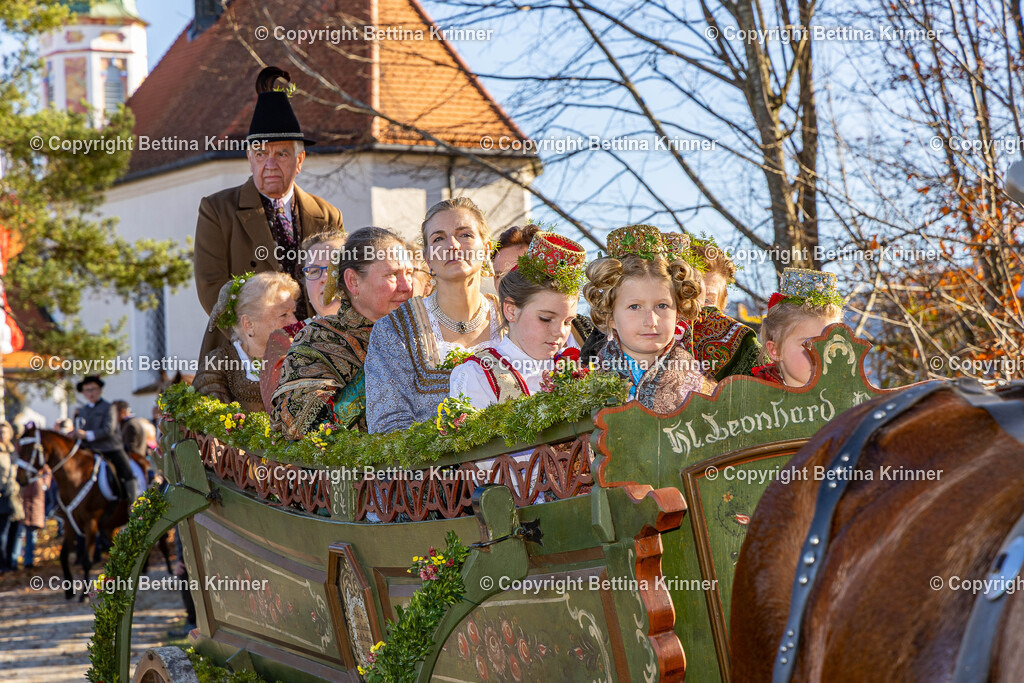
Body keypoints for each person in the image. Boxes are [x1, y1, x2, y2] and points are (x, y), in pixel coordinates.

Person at [194, 66, 344, 360]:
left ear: (300, 160)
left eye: (281, 154)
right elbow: (211, 288)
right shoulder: (217, 209)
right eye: (261, 154)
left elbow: (337, 284)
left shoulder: (327, 214)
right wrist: (255, 341)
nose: (270, 164)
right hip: (242, 351)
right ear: (249, 159)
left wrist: (321, 339)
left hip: (314, 352)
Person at [365, 197, 503, 433]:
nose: (453, 246)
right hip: (433, 468)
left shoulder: (514, 319)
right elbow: (388, 427)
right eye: (438, 238)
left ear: (487, 249)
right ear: (428, 259)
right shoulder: (394, 331)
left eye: (465, 235)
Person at [271, 227, 414, 437]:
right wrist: (382, 366)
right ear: (353, 282)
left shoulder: (425, 332)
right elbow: (304, 428)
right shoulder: (318, 339)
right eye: (392, 275)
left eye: (410, 273)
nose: (406, 286)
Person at [585, 225, 716, 411]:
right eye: (634, 307)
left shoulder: (701, 390)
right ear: (610, 315)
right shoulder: (584, 387)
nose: (651, 321)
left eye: (662, 306)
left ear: (678, 311)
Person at [450, 231, 587, 408]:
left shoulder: (572, 371)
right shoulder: (478, 374)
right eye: (545, 319)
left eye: (567, 322)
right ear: (511, 310)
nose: (560, 331)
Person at [258, 230, 347, 408]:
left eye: (333, 268)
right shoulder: (286, 339)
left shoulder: (380, 327)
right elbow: (282, 411)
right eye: (314, 271)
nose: (324, 278)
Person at [193, 272, 300, 413]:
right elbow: (212, 425)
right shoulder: (219, 365)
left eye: (293, 312)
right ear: (248, 324)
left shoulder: (300, 358)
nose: (294, 322)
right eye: (283, 314)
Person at [671, 234, 762, 381]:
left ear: (722, 303)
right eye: (687, 296)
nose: (696, 307)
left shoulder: (743, 349)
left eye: (707, 300)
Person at [492, 224, 593, 348]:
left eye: (517, 271)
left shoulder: (590, 332)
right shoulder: (489, 334)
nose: (505, 283)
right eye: (498, 275)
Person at [752, 268, 844, 386]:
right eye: (809, 344)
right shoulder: (753, 400)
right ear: (775, 350)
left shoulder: (855, 400)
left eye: (831, 345)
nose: (823, 356)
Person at [72, 376, 139, 501]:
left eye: (93, 389)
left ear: (99, 390)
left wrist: (86, 435)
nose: (90, 393)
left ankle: (134, 504)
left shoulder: (109, 407)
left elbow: (108, 430)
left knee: (127, 473)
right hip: (90, 449)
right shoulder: (83, 411)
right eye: (87, 390)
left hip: (110, 448)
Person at [16, 460, 50, 569]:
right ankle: (14, 560)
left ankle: (28, 561)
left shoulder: (39, 461)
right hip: (22, 499)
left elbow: (47, 472)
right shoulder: (21, 459)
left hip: (36, 502)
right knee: (20, 534)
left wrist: (43, 484)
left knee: (32, 534)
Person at [0, 421, 23, 573]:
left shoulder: (14, 451)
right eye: (0, 432)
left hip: (15, 496)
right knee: (2, 533)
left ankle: (11, 562)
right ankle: (2, 564)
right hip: (2, 496)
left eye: (5, 432)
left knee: (16, 531)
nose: (3, 435)